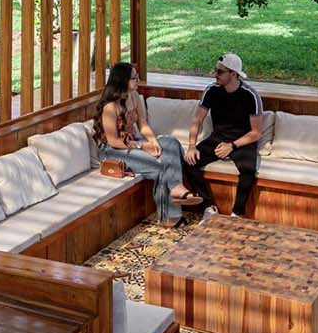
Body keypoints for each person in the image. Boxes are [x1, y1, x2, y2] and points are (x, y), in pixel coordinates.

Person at [93, 61, 205, 228]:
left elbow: (142, 123)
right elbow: (113, 141)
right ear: (122, 80)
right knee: (162, 166)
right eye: (134, 78)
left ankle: (176, 187)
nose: (137, 80)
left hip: (131, 142)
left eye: (137, 77)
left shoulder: (134, 96)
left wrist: (152, 140)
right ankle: (170, 217)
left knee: (171, 143)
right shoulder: (110, 107)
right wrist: (142, 146)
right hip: (113, 151)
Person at [179, 52, 265, 219]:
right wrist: (191, 146)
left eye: (219, 72)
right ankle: (209, 207)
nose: (214, 75)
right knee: (189, 162)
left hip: (242, 141)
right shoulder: (212, 90)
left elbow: (256, 132)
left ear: (233, 74)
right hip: (218, 138)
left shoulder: (251, 95)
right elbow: (197, 119)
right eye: (215, 70)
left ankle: (237, 214)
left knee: (248, 171)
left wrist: (232, 146)